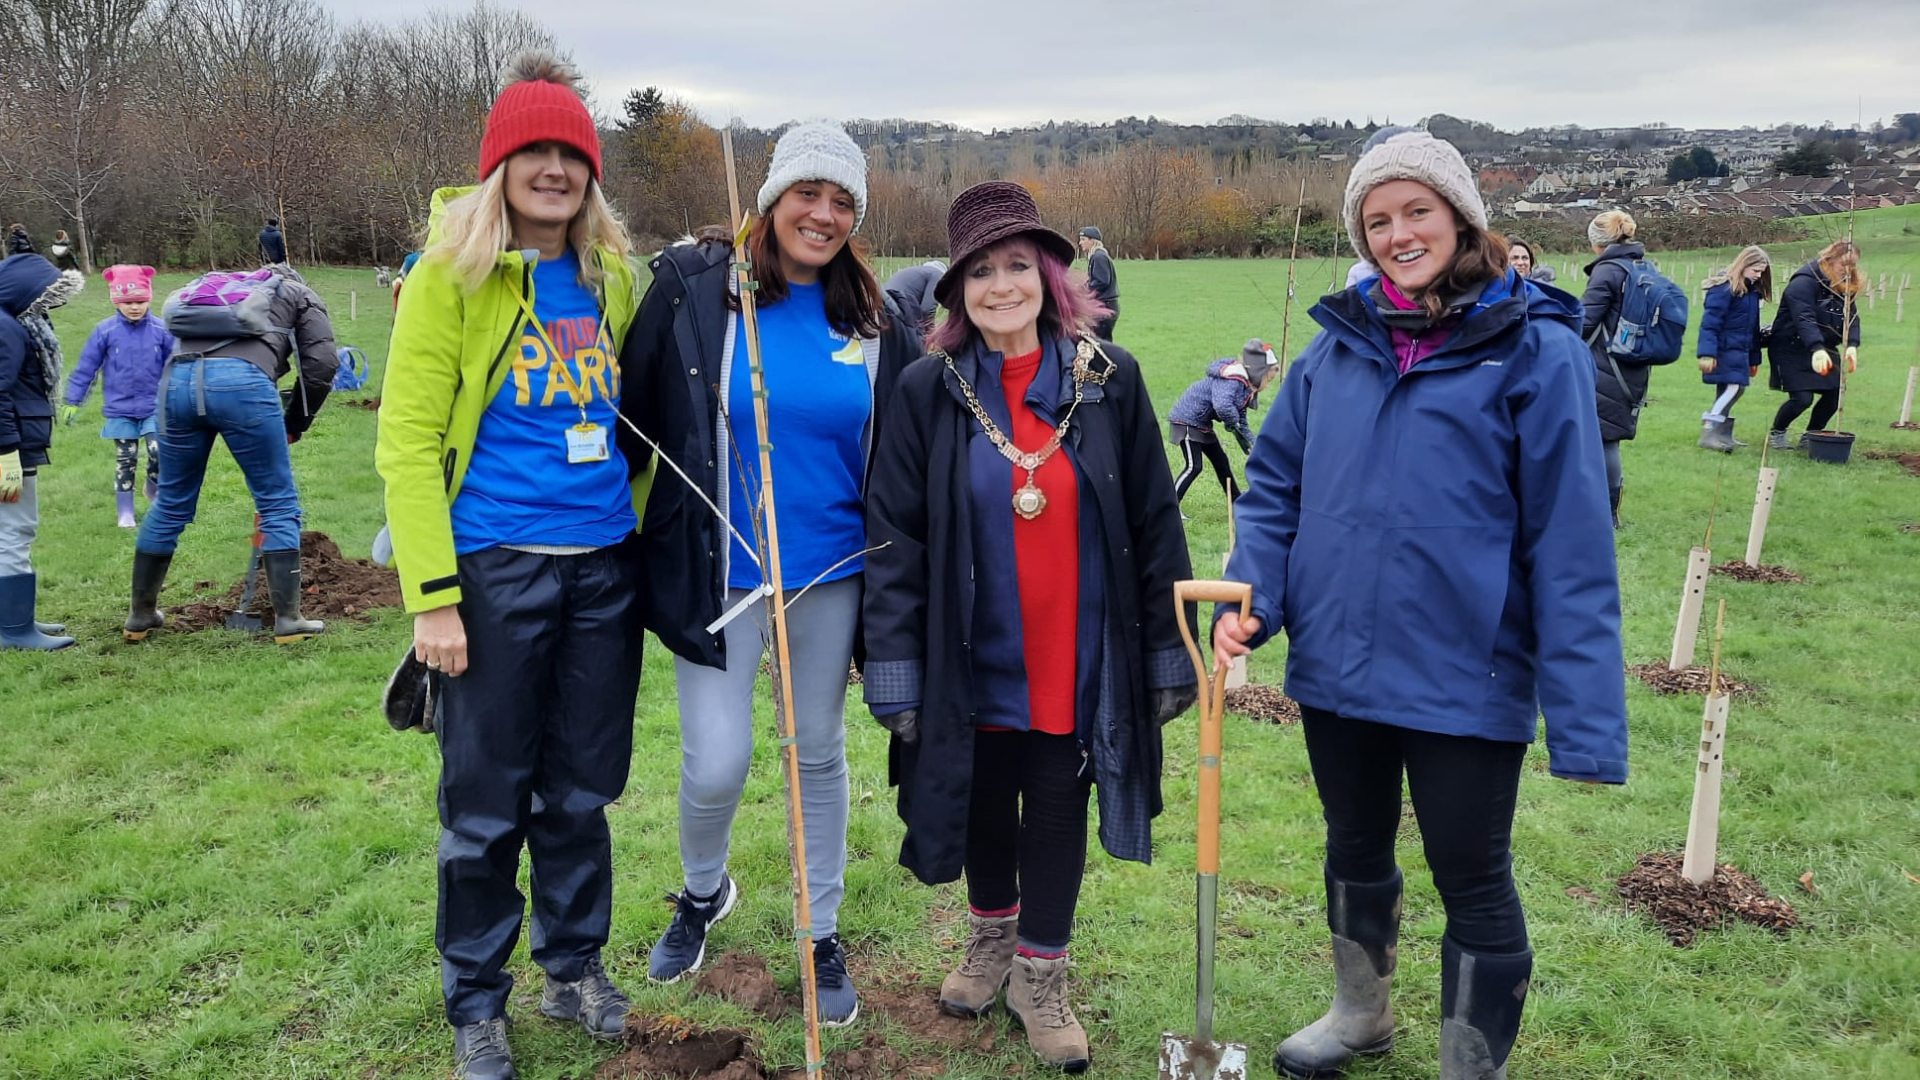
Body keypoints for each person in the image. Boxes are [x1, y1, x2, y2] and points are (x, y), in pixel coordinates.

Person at [1213, 130, 1627, 1080]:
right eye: (1378, 219)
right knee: (1354, 846)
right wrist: (1258, 600)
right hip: (1338, 667)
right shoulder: (1334, 352)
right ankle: (1360, 1014)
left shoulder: (1535, 350)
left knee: (1473, 877)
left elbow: (1570, 541)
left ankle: (1467, 1066)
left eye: (1417, 213)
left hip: (1464, 669)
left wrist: (1587, 726)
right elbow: (1274, 489)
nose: (1399, 234)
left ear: (1460, 218)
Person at [862, 181, 1196, 1071]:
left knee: (1055, 804)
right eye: (981, 271)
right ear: (957, 292)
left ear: (1052, 277)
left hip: (1076, 652)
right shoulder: (925, 392)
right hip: (969, 652)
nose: (1001, 285)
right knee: (979, 799)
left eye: (1018, 265)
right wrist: (893, 669)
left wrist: (1169, 652)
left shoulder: (1108, 382)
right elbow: (893, 540)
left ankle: (1040, 975)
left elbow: (1156, 523)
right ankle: (990, 941)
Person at [374, 50, 647, 1080]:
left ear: (590, 172)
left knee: (580, 789)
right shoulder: (450, 278)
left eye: (570, 153)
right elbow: (404, 443)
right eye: (532, 151)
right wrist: (432, 601)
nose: (553, 169)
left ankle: (573, 966)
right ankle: (477, 1001)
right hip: (491, 569)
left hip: (601, 571)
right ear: (500, 167)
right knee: (485, 798)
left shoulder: (615, 277)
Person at [618, 120, 920, 1027]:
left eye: (841, 203)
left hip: (827, 574)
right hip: (718, 571)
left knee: (816, 750)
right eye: (807, 195)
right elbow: (631, 412)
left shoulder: (872, 321)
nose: (822, 216)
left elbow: (897, 457)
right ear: (772, 199)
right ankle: (703, 894)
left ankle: (819, 931)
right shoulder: (698, 291)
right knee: (718, 762)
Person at [123, 264, 339, 645]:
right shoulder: (300, 294)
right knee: (276, 501)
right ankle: (289, 620)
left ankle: (140, 616)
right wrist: (296, 423)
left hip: (176, 382)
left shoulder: (211, 288)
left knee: (171, 501)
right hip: (242, 383)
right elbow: (321, 363)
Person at [0, 256, 82, 650]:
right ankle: (14, 630)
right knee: (14, 529)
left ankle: (15, 616)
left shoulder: (9, 324)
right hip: (10, 449)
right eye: (45, 299)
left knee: (10, 529)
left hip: (16, 440)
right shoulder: (6, 329)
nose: (48, 309)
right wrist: (6, 453)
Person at [63, 264, 174, 526]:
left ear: (148, 299)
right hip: (120, 409)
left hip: (154, 407)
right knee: (127, 458)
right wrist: (73, 400)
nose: (134, 307)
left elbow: (176, 367)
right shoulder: (104, 331)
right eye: (127, 302)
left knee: (158, 451)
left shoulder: (162, 330)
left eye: (140, 301)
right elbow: (85, 368)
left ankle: (153, 489)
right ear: (116, 301)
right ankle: (125, 510)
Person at [1580, 209, 1665, 526]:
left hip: (1604, 363)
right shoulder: (1646, 267)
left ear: (1596, 243)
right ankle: (1605, 509)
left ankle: (1606, 512)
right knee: (1606, 436)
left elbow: (1586, 321)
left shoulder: (1607, 271)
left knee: (1602, 439)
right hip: (1634, 363)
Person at [1767, 239, 1862, 450]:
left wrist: (1852, 345)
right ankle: (1777, 432)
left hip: (1823, 349)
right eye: (1844, 264)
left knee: (1834, 393)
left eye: (1853, 265)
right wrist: (1817, 348)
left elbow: (1852, 318)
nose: (1848, 270)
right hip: (1791, 346)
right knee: (1802, 398)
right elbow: (1804, 318)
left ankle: (1811, 435)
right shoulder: (1803, 283)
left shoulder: (1843, 286)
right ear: (1830, 259)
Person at [1168, 338, 1276, 509]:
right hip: (1187, 420)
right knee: (1194, 466)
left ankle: (1237, 503)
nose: (1267, 384)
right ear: (1259, 371)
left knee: (1221, 462)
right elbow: (1223, 406)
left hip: (1202, 424)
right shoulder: (1232, 380)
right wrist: (1231, 423)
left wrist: (1253, 445)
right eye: (1268, 379)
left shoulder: (1245, 388)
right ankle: (1169, 508)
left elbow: (1241, 422)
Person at [1694, 246, 1771, 452]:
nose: (1758, 275)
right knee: (1733, 388)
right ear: (1743, 266)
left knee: (1733, 389)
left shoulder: (1751, 294)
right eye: (1755, 270)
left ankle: (1723, 434)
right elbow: (1710, 323)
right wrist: (1707, 353)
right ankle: (1709, 432)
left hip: (1741, 351)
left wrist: (1754, 360)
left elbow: (1753, 330)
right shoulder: (1724, 289)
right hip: (1724, 350)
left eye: (1761, 272)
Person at [883, 258, 947, 336]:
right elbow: (927, 309)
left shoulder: (918, 271)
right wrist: (933, 335)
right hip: (899, 304)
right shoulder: (938, 275)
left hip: (884, 304)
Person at [1076, 226, 1118, 339]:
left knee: (1099, 344)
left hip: (1104, 307)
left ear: (1092, 241)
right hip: (1105, 306)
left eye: (1083, 239)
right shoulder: (1097, 256)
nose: (1080, 243)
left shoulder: (1098, 257)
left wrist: (1084, 289)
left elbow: (1102, 281)